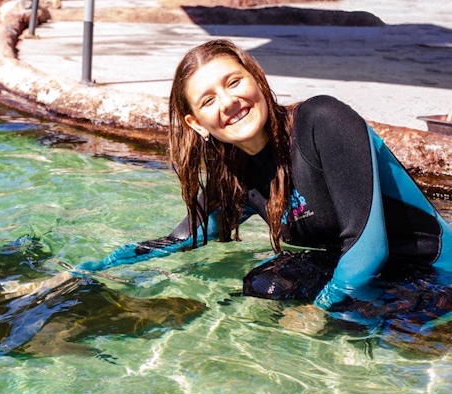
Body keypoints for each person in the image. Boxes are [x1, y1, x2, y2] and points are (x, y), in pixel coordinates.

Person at [73, 39, 452, 321]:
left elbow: (368, 249)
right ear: (196, 124)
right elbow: (181, 238)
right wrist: (87, 271)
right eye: (207, 101)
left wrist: (316, 313)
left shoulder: (322, 121)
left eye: (233, 82)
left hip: (433, 272)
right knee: (263, 286)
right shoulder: (236, 174)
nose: (227, 102)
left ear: (256, 78)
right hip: (370, 274)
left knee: (350, 325)